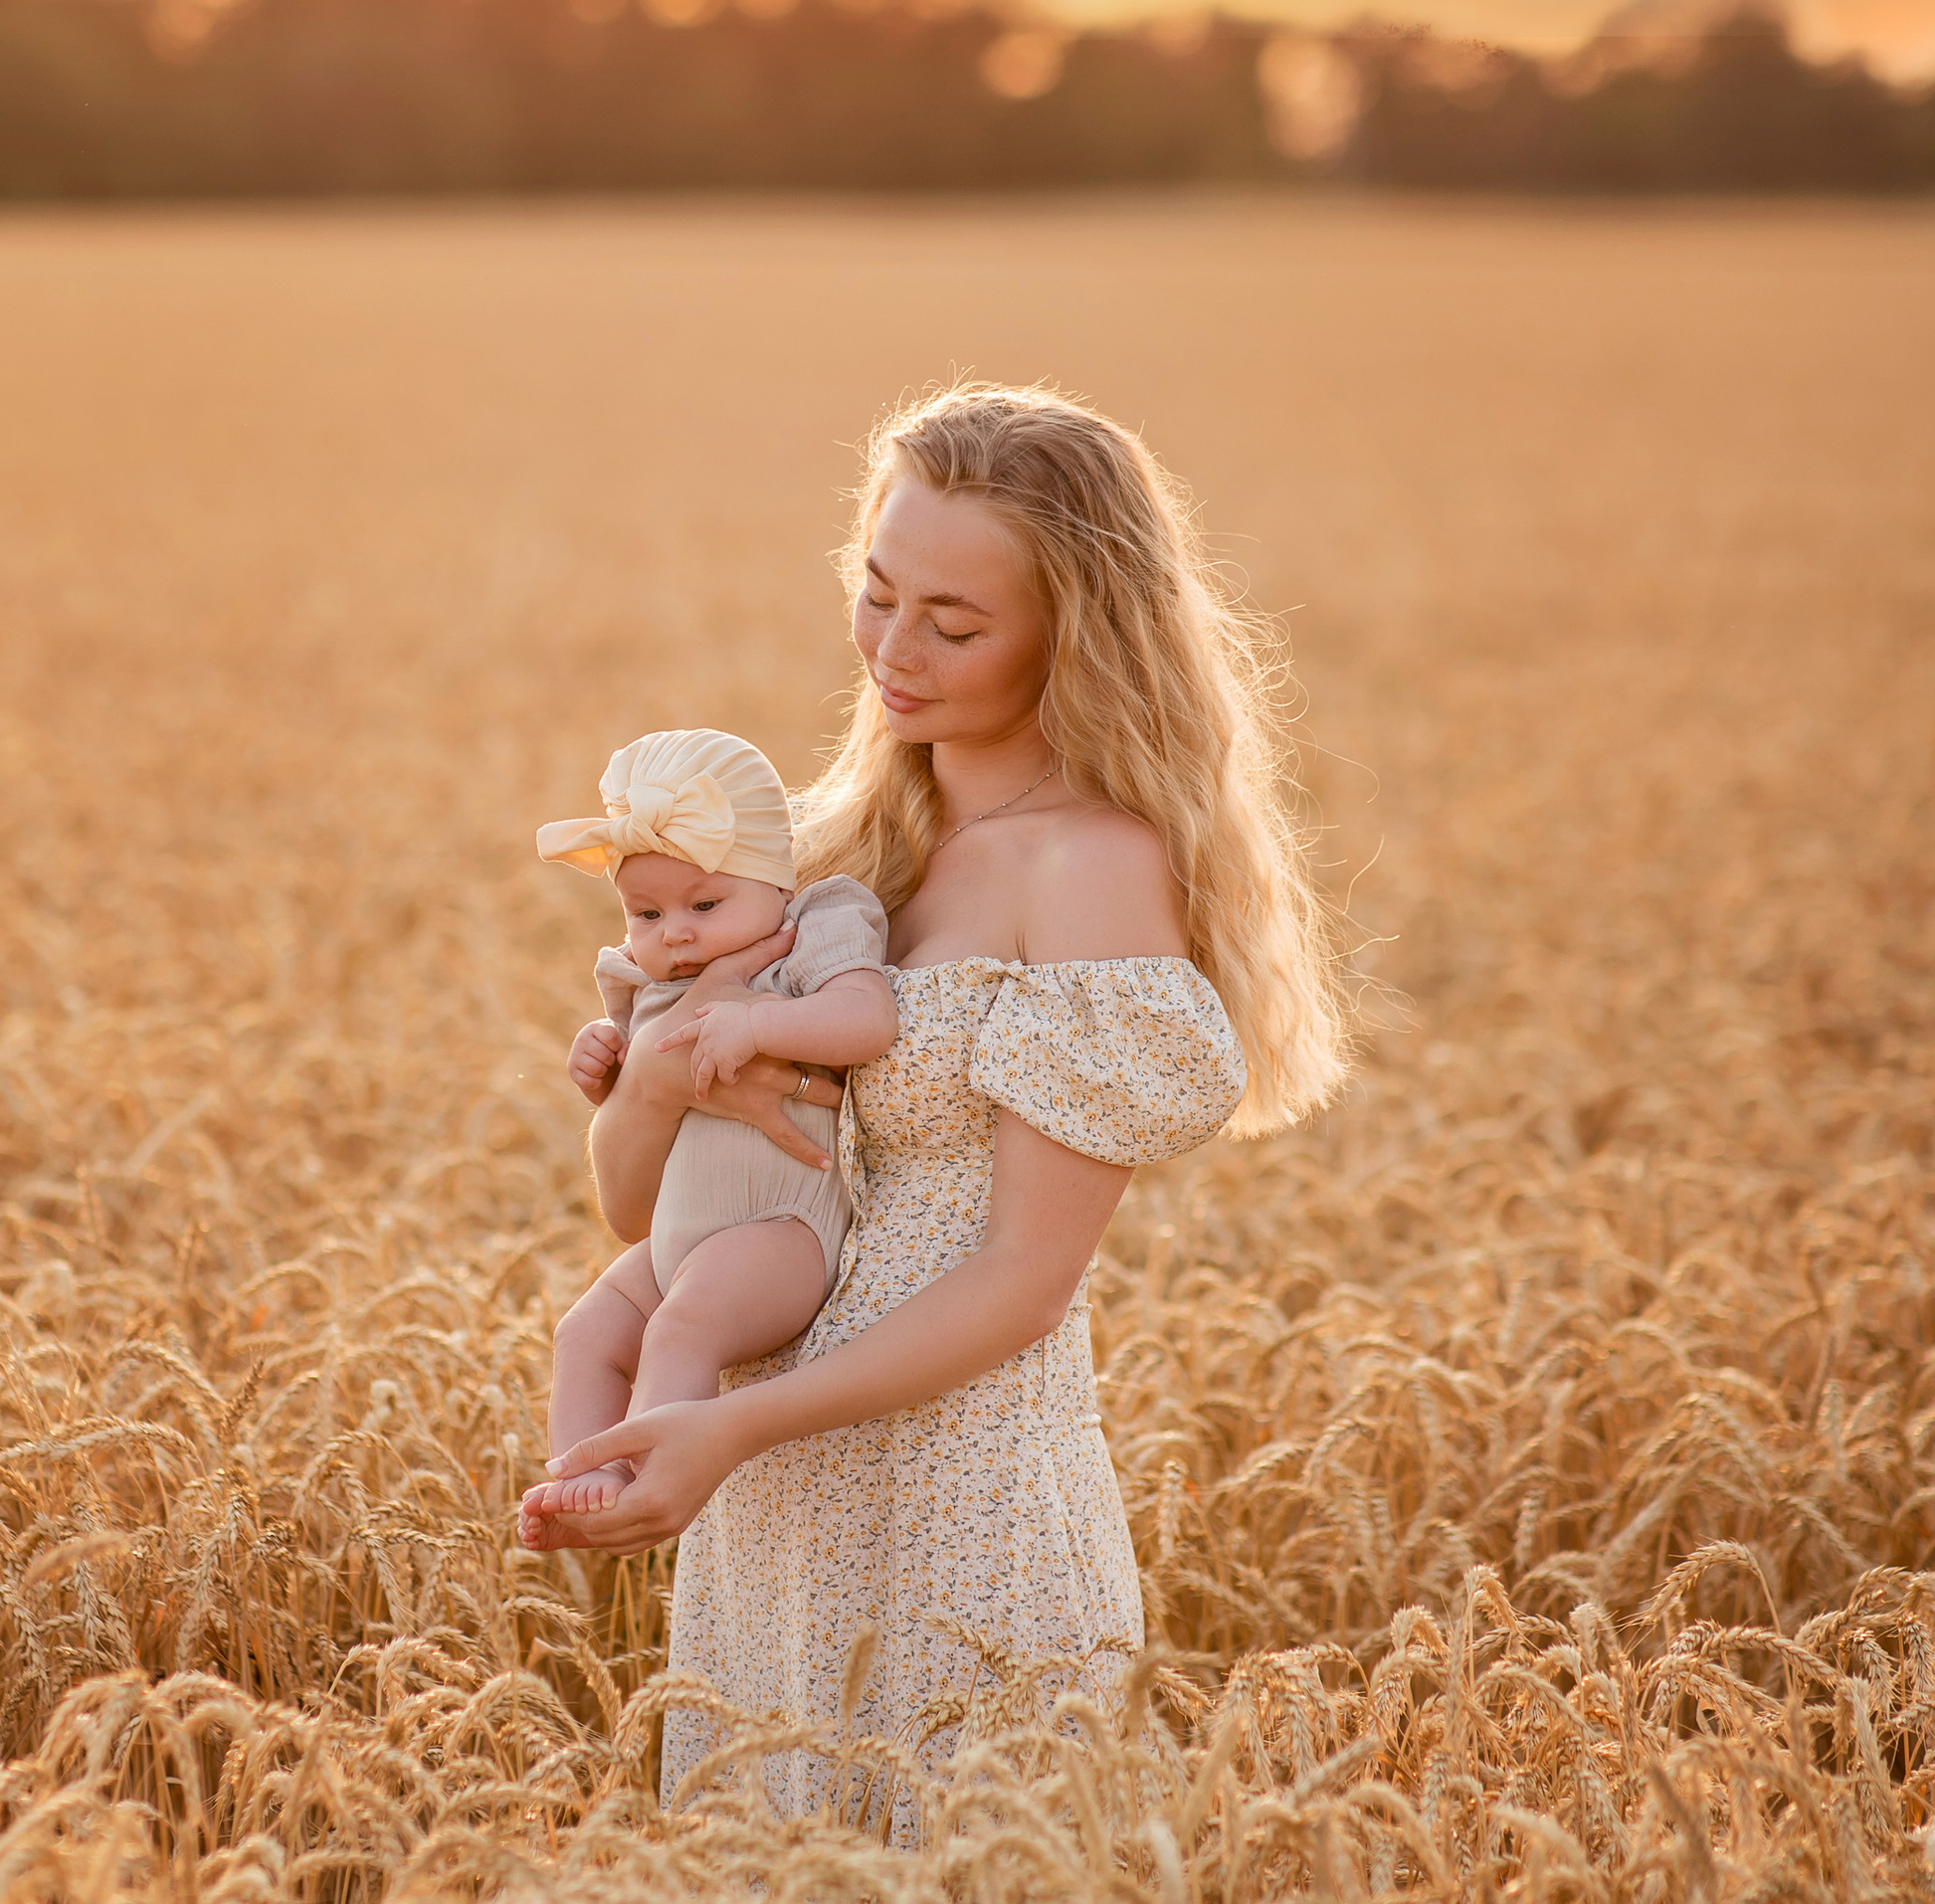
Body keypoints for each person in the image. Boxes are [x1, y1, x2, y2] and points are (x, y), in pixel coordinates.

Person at [517, 381, 1353, 1823]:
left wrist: (738, 1430)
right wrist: (649, 1075)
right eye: (877, 593)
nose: (895, 653)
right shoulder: (830, 853)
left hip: (962, 1510)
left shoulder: (1087, 867)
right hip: (772, 1517)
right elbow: (646, 1213)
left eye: (954, 625)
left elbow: (1026, 1281)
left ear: (1069, 635)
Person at [528, 729, 896, 1519]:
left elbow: (866, 1021)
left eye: (704, 904)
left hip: (780, 1231)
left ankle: (647, 1470)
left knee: (682, 1326)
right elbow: (653, 1090)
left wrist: (762, 1025)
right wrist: (606, 1062)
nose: (677, 933)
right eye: (646, 913)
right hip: (676, 1239)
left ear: (776, 881)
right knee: (585, 1331)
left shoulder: (811, 930)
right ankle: (576, 1473)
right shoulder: (643, 976)